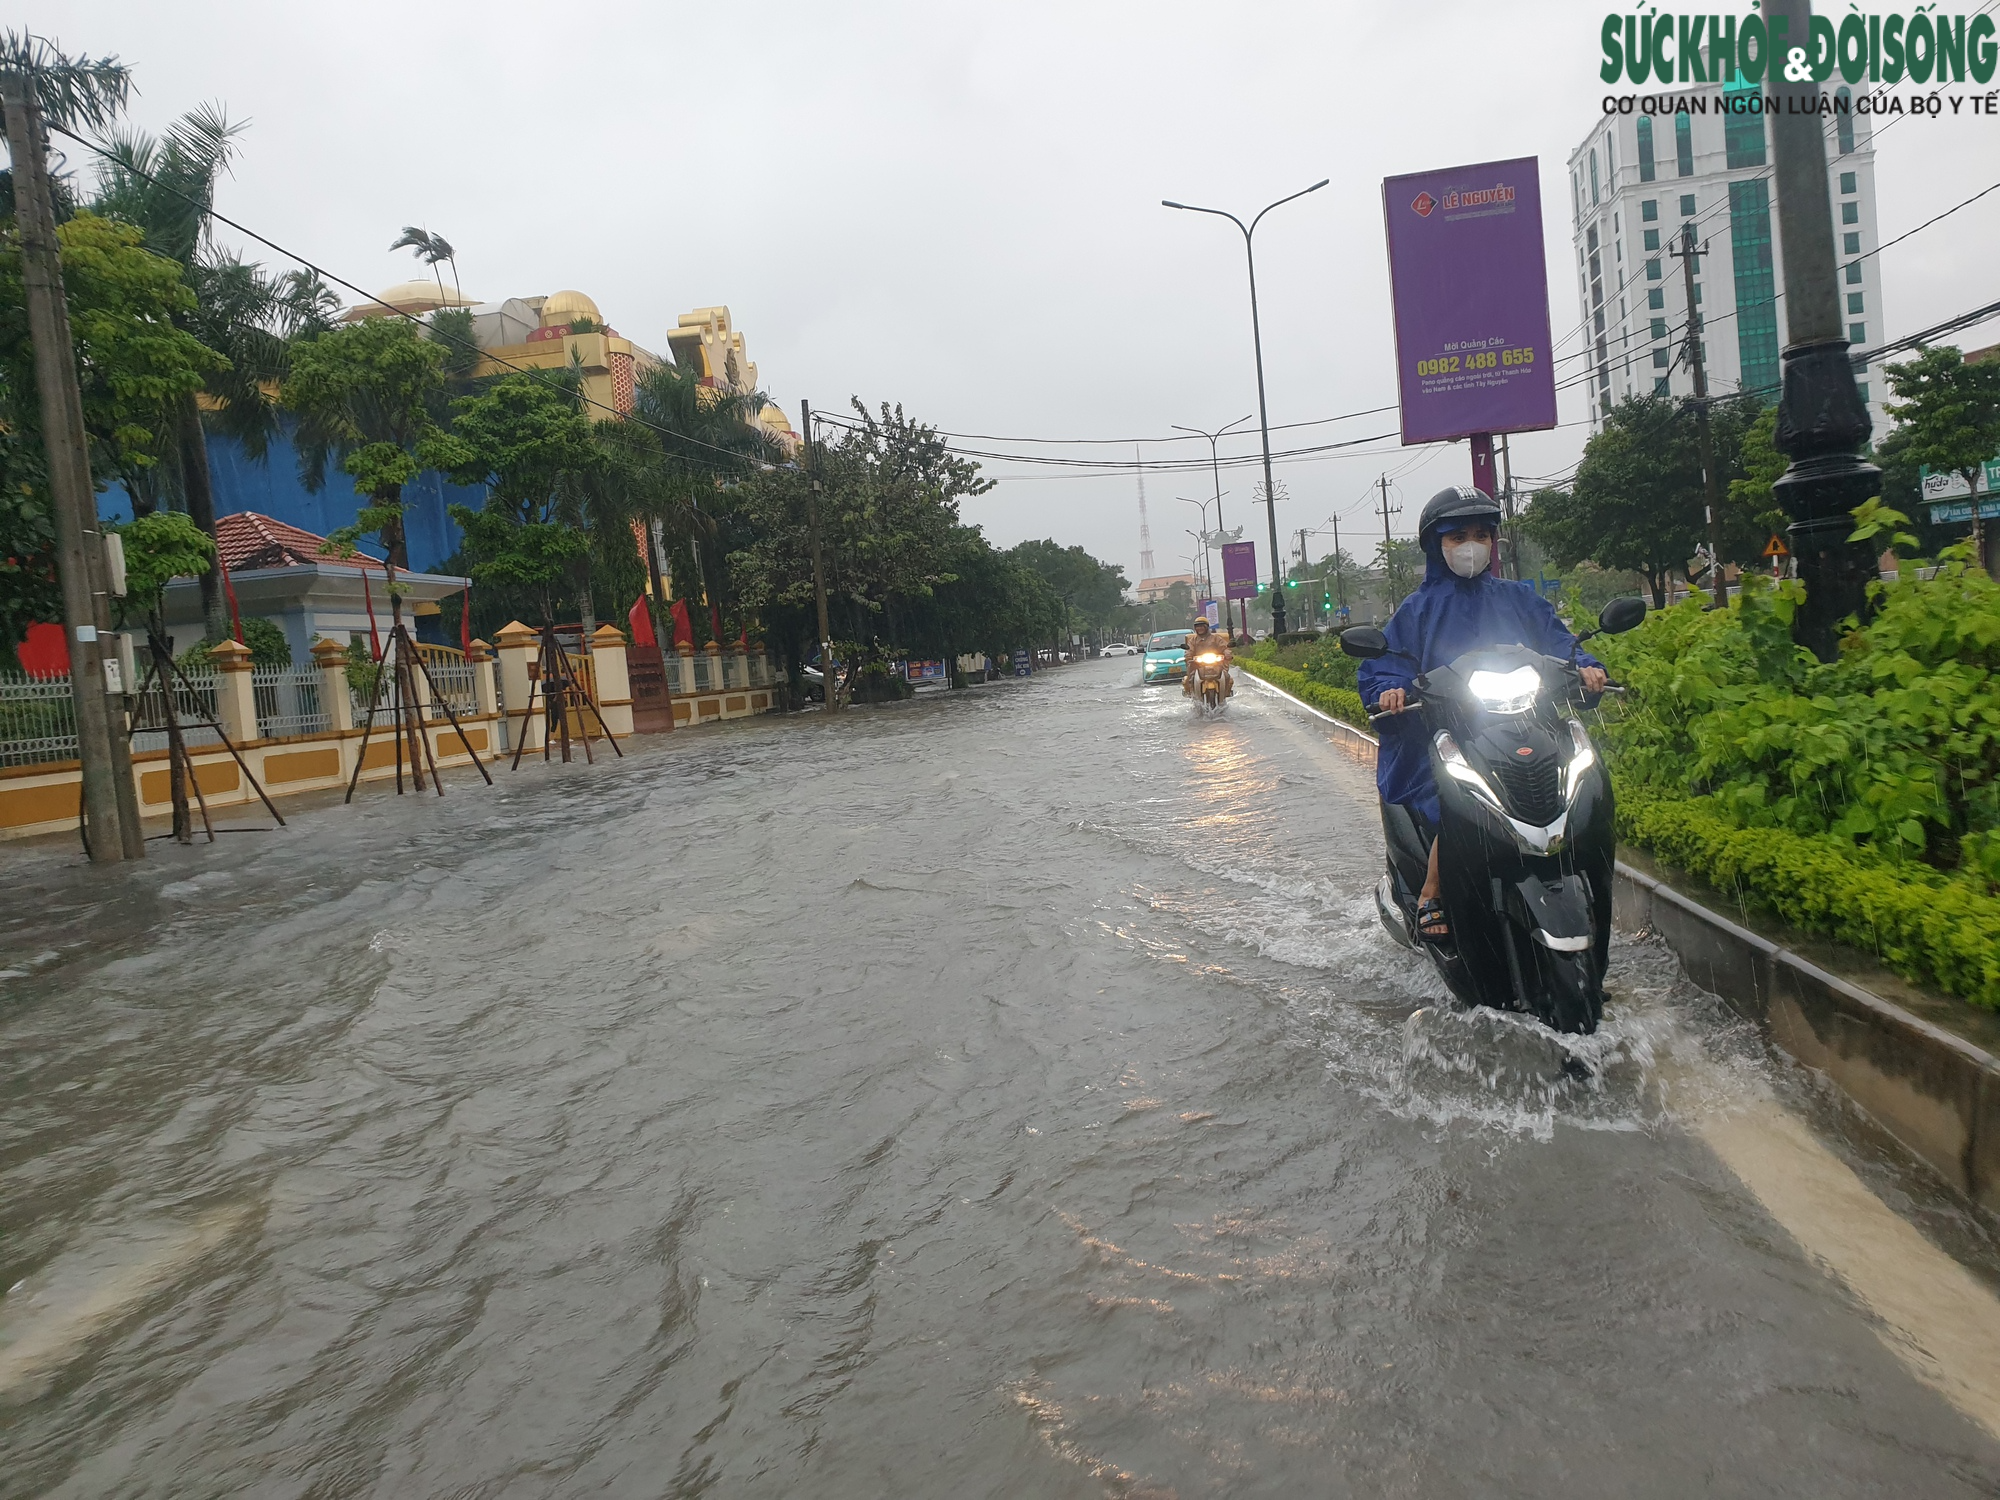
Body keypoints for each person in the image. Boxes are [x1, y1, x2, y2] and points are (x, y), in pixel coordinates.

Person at [1357, 486, 1607, 943]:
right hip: (1451, 730)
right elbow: (1385, 664)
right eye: (1458, 537)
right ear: (1438, 546)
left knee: (1582, 783)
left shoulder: (1520, 599)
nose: (1471, 546)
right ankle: (1433, 890)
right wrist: (1388, 690)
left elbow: (1559, 644)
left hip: (1526, 723)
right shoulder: (1418, 609)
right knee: (1455, 796)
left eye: (1480, 534)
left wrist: (1588, 668)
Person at [1182, 616, 1233, 697]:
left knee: (1227, 676)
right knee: (1191, 678)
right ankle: (1192, 693)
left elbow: (1224, 648)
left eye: (1202, 626)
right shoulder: (1193, 640)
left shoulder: (1216, 638)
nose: (1200, 628)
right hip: (1198, 665)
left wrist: (1227, 654)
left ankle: (1226, 692)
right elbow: (1189, 650)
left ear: (1207, 627)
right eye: (1198, 626)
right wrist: (1188, 657)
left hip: (1216, 664)